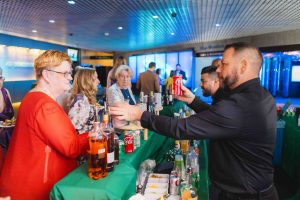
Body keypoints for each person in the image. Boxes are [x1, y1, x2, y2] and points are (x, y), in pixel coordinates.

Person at [110, 42, 279, 200]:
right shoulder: (259, 96)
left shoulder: (240, 105)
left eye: (224, 64)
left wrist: (140, 115)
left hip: (245, 195)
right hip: (251, 189)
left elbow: (182, 128)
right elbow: (220, 118)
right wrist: (193, 101)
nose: (218, 70)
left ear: (243, 66)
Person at [0, 50, 89, 200]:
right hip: (34, 188)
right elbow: (71, 147)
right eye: (65, 73)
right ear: (47, 75)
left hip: (23, 182)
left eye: (70, 72)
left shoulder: (32, 97)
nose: (70, 77)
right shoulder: (44, 105)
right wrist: (95, 134)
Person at [68, 67, 100, 134]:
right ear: (87, 81)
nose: (98, 81)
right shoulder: (80, 100)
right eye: (96, 78)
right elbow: (75, 130)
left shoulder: (84, 98)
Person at [0, 67, 14, 158]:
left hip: (9, 132)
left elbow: (11, 114)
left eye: (1, 77)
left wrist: (12, 121)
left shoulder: (6, 91)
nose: (2, 80)